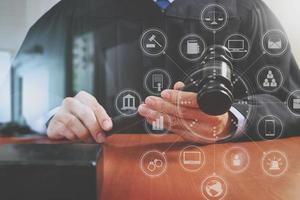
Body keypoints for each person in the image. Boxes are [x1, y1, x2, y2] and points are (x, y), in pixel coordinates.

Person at [13, 0, 300, 143]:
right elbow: (16, 94)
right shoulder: (77, 9)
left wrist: (232, 120)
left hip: (221, 178)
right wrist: (51, 116)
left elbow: (291, 101)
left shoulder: (244, 9)